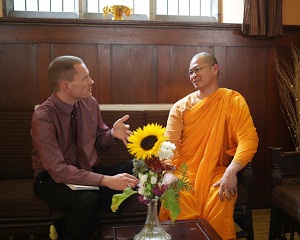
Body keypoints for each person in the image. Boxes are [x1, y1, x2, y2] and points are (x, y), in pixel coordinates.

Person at [31, 55, 139, 240]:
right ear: (66, 86)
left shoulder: (90, 103)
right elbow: (59, 170)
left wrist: (112, 134)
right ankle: (78, 222)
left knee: (139, 167)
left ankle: (64, 227)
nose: (92, 81)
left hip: (88, 170)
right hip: (52, 179)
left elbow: (99, 144)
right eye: (85, 78)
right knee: (87, 200)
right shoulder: (43, 117)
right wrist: (105, 181)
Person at [159, 52, 259, 239]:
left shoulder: (233, 101)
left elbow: (249, 138)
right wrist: (168, 173)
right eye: (190, 72)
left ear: (215, 69)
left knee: (221, 196)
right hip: (184, 171)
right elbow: (168, 144)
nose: (193, 75)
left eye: (197, 69)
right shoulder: (181, 107)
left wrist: (232, 171)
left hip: (217, 169)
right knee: (178, 198)